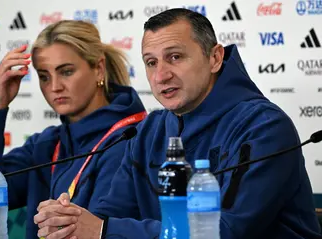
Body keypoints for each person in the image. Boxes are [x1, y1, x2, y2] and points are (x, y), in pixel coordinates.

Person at [34, 9, 322, 239]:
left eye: (175, 57)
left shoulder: (264, 127)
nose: (161, 76)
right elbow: (109, 214)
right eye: (151, 62)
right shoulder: (147, 131)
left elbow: (226, 230)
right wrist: (73, 222)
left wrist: (101, 230)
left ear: (214, 58)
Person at [0, 20, 146, 239]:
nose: (54, 87)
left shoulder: (133, 139)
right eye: (44, 76)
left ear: (98, 69)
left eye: (66, 72)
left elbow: (102, 227)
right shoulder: (45, 144)